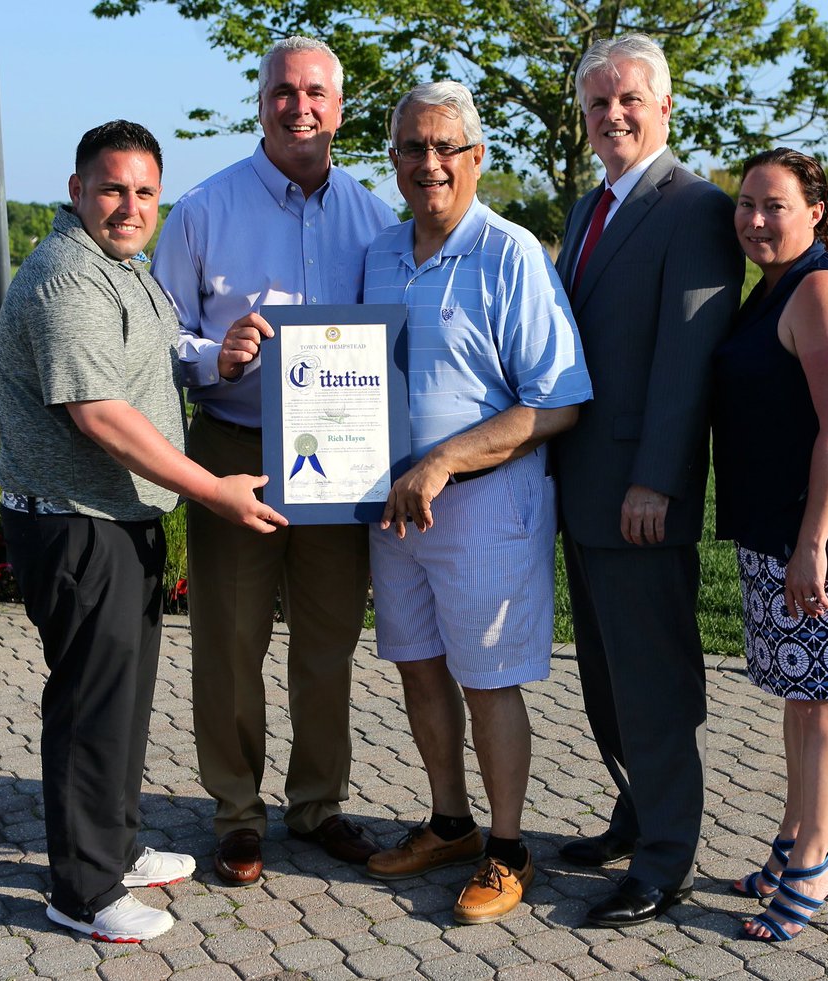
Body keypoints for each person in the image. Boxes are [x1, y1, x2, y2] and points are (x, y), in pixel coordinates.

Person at [0, 120, 287, 942]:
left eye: (145, 192)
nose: (130, 206)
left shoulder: (120, 267)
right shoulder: (67, 280)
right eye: (113, 189)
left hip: (121, 517)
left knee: (120, 700)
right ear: (77, 190)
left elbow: (154, 364)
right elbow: (100, 413)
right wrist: (211, 489)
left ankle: (116, 845)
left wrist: (217, 360)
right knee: (91, 706)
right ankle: (84, 890)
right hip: (76, 524)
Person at [151, 37, 397, 885]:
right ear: (260, 104)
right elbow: (161, 339)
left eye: (316, 92)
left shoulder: (375, 218)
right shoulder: (202, 211)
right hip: (234, 454)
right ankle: (236, 813)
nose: (300, 106)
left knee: (329, 642)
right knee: (229, 643)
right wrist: (212, 354)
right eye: (284, 92)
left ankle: (318, 805)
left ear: (340, 107)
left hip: (342, 456)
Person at [360, 81, 592, 924]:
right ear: (393, 160)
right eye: (412, 148)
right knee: (418, 665)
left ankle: (508, 847)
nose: (429, 163)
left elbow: (556, 403)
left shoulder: (510, 253)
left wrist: (444, 461)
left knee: (488, 682)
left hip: (487, 504)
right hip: (396, 509)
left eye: (445, 147)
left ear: (476, 157)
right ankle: (450, 823)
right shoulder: (380, 254)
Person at [552, 33, 745, 927]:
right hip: (581, 486)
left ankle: (666, 860)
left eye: (629, 98)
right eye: (597, 102)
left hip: (640, 495)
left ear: (665, 106)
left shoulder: (697, 208)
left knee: (655, 682)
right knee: (605, 676)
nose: (613, 114)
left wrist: (657, 481)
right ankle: (634, 813)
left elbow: (688, 358)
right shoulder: (587, 208)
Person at [713, 147, 828, 942]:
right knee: (800, 695)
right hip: (778, 530)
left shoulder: (820, 289)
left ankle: (815, 862)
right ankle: (791, 841)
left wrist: (813, 542)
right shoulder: (774, 287)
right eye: (745, 204)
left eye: (774, 205)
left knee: (824, 701)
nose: (755, 220)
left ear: (816, 211)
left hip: (819, 537)